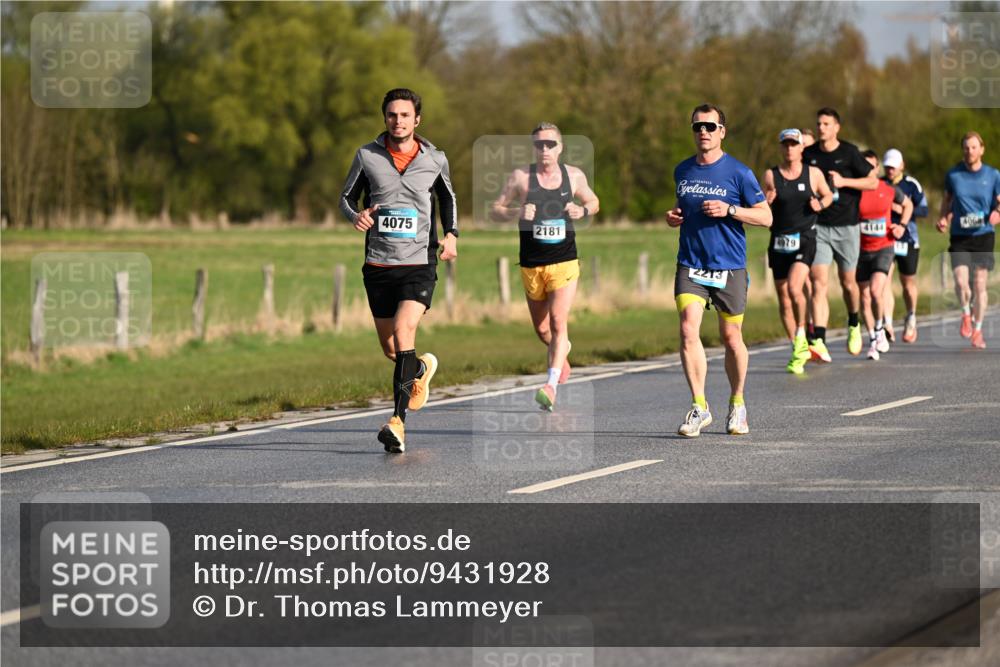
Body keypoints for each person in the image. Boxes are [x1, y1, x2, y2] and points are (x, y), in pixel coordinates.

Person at [339, 88, 458, 453]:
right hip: (379, 263)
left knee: (405, 330)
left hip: (419, 262)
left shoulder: (435, 159)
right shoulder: (367, 156)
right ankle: (419, 369)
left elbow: (448, 198)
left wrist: (452, 234)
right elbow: (346, 198)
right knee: (392, 349)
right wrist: (356, 216)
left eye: (405, 115)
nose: (398, 121)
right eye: (392, 115)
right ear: (385, 118)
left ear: (416, 120)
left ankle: (397, 422)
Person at [666, 104, 772, 437]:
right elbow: (683, 207)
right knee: (688, 329)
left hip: (729, 266)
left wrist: (730, 210)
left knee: (731, 338)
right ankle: (700, 406)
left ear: (722, 132)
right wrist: (674, 216)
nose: (703, 132)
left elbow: (766, 216)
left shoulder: (740, 173)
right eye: (697, 126)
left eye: (710, 126)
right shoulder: (683, 170)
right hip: (691, 263)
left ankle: (737, 404)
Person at [490, 123, 599, 411]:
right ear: (534, 148)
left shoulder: (573, 175)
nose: (545, 149)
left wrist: (582, 210)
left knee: (558, 321)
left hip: (565, 260)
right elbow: (495, 209)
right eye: (540, 144)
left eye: (551, 144)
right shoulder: (521, 177)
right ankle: (562, 351)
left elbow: (593, 201)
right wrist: (516, 212)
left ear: (560, 147)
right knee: (542, 330)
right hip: (531, 264)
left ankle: (550, 386)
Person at [803, 108, 879, 361]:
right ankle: (819, 341)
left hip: (847, 227)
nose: (821, 128)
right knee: (818, 283)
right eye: (819, 123)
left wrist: (845, 182)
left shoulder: (849, 152)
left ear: (837, 127)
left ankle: (854, 322)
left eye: (826, 124)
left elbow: (873, 182)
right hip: (819, 226)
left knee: (848, 283)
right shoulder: (809, 155)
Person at [762, 129, 833, 374]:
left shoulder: (813, 173)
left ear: (802, 148)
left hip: (805, 238)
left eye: (794, 144)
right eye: (786, 144)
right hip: (779, 240)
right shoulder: (771, 175)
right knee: (783, 297)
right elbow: (760, 207)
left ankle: (803, 333)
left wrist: (820, 204)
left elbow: (828, 195)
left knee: (795, 288)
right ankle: (797, 347)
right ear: (781, 148)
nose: (789, 148)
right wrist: (766, 202)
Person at [937, 131, 1000, 349]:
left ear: (981, 150)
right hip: (960, 235)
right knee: (960, 281)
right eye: (966, 147)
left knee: (979, 284)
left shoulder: (993, 175)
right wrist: (943, 218)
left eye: (974, 147)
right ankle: (966, 314)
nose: (969, 151)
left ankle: (978, 330)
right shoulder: (954, 175)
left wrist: (998, 212)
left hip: (983, 234)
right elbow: (948, 200)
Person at [857, 150, 913, 360]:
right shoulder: (854, 192)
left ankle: (880, 328)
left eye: (871, 167)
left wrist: (902, 226)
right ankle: (873, 340)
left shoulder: (888, 189)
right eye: (863, 166)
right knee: (864, 297)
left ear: (877, 168)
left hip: (884, 247)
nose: (868, 170)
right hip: (861, 250)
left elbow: (908, 205)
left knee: (875, 291)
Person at [881, 149, 929, 343]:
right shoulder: (880, 184)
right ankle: (887, 324)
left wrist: (901, 209)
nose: (890, 170)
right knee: (884, 280)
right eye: (887, 167)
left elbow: (924, 210)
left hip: (908, 239)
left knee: (908, 283)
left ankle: (911, 316)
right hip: (885, 239)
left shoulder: (911, 185)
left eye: (893, 166)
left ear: (902, 166)